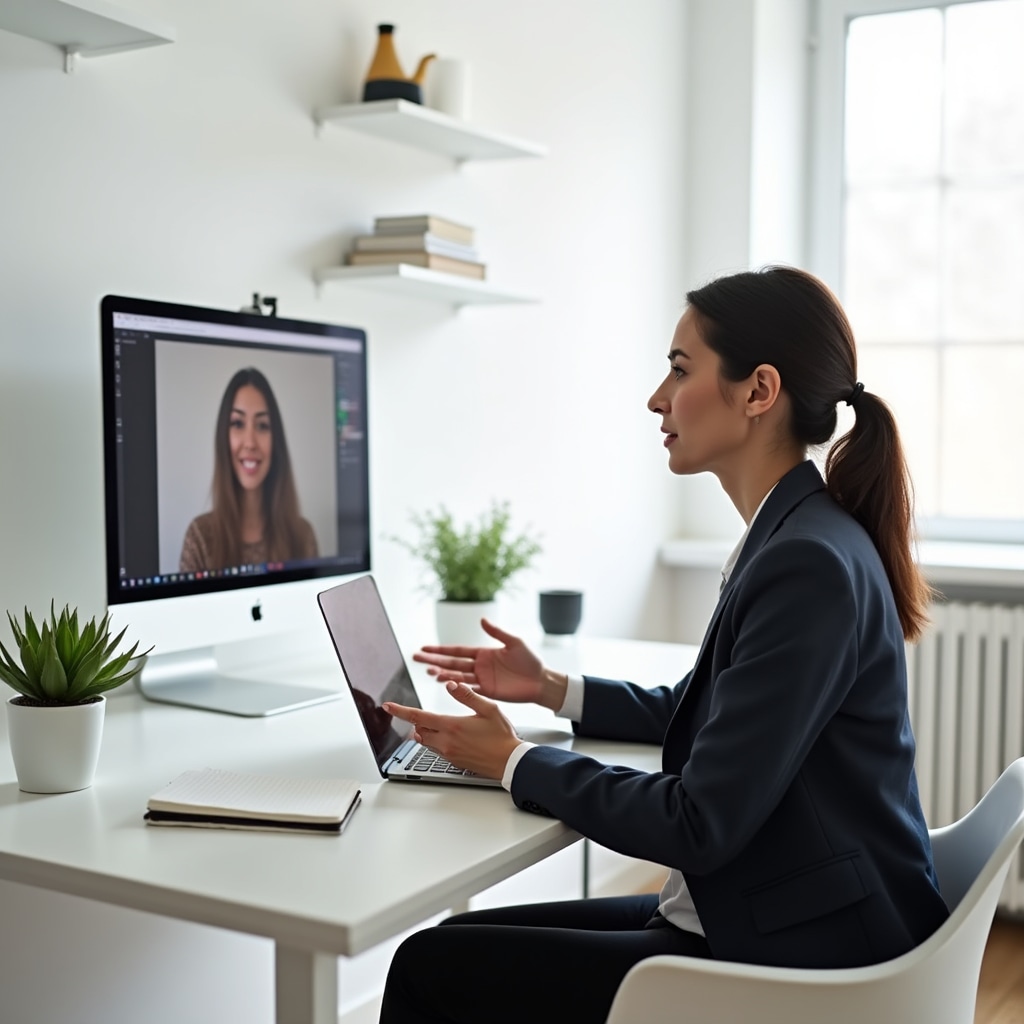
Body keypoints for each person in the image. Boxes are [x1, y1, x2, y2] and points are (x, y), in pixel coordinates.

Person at [377, 265, 950, 1024]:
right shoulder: (793, 534)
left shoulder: (805, 561)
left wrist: (512, 761)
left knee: (430, 967)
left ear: (758, 392)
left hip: (805, 952)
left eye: (680, 370)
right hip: (775, 903)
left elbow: (698, 824)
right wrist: (552, 688)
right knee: (453, 945)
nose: (657, 397)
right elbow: (700, 711)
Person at [179, 367, 318, 573]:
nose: (250, 442)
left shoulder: (302, 535)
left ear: (275, 439)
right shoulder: (200, 537)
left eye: (262, 426)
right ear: (223, 437)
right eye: (238, 423)